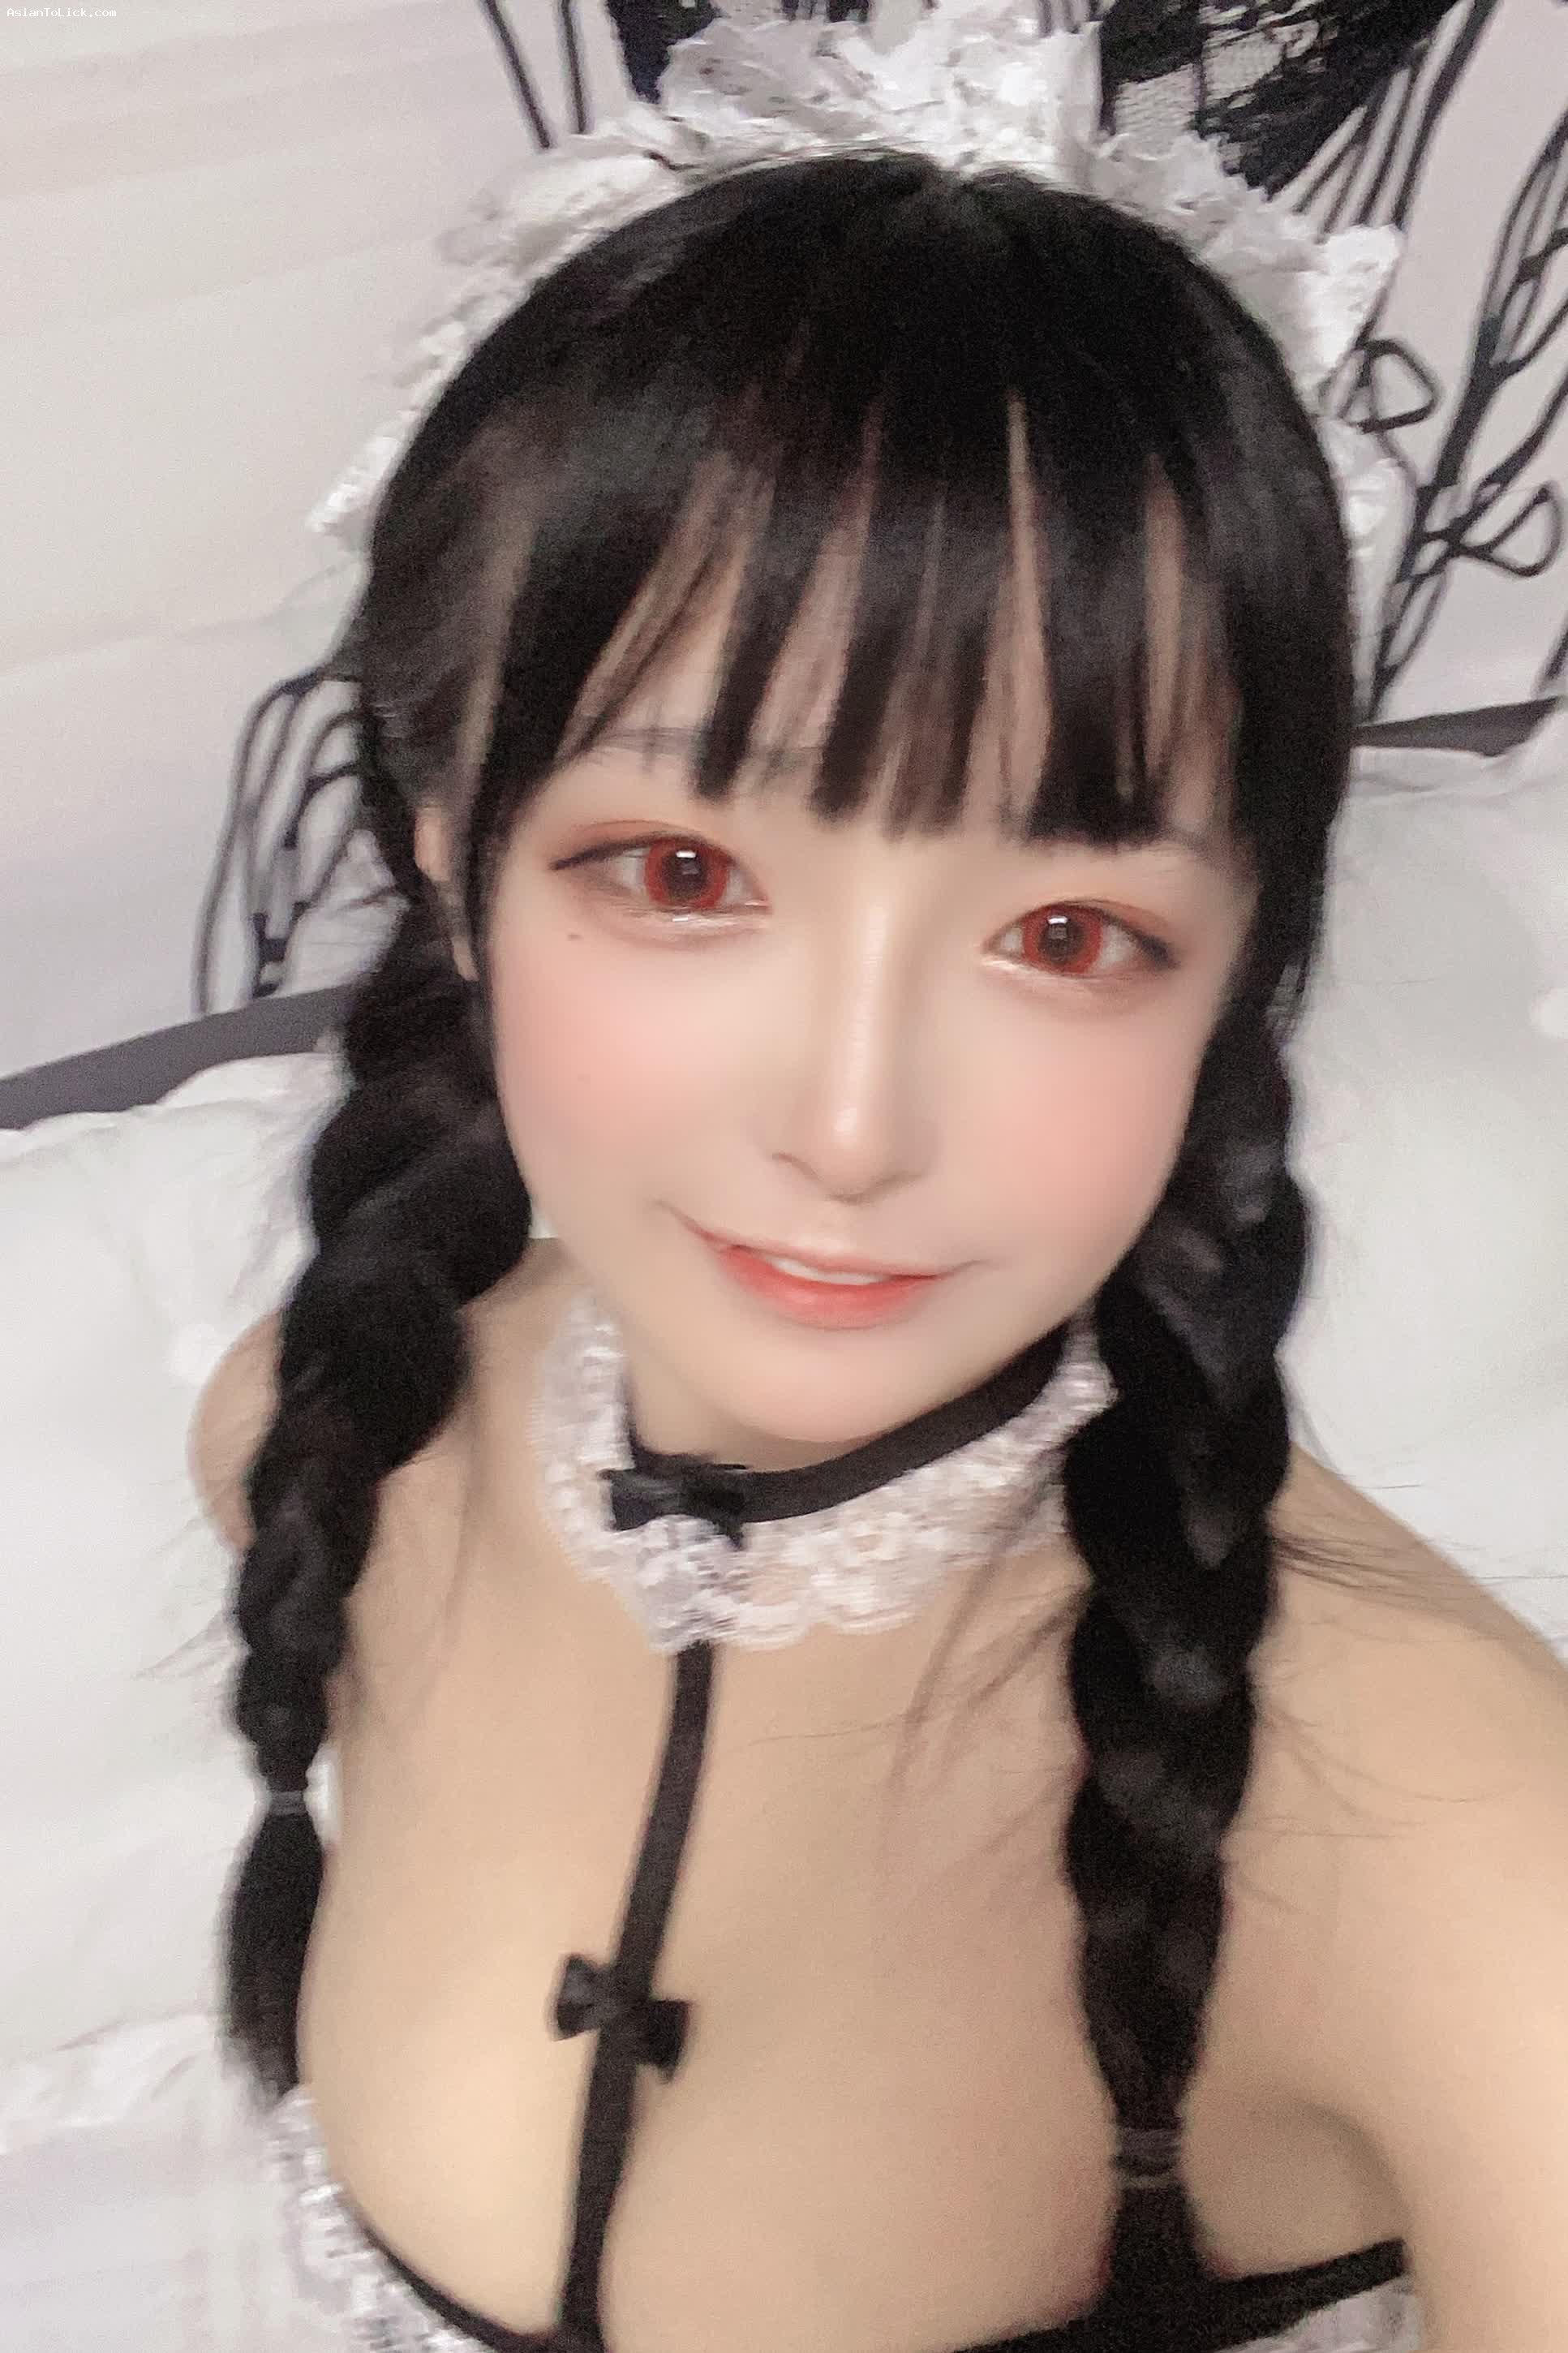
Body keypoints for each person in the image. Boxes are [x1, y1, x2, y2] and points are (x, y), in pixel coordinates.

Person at [190, 6, 1568, 2350]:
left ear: (1241, 965)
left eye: (1068, 935)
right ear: (447, 848)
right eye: (682, 873)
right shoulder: (318, 1445)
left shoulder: (1465, 1856)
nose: (849, 1127)